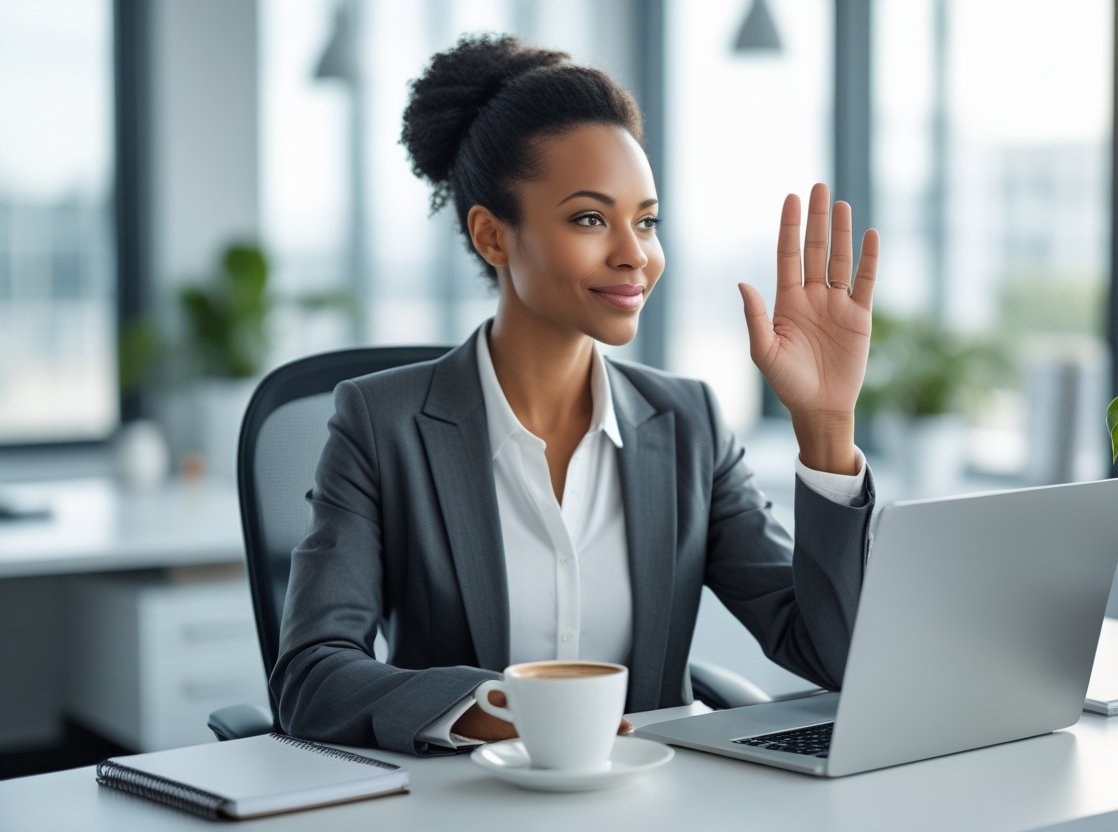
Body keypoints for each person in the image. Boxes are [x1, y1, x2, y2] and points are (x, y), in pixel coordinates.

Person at [270, 33, 881, 755]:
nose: (635, 253)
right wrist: (487, 710)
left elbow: (835, 656)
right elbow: (311, 675)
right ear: (493, 237)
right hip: (466, 805)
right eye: (591, 218)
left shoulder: (688, 425)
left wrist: (824, 422)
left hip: (654, 805)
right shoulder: (382, 424)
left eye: (646, 220)